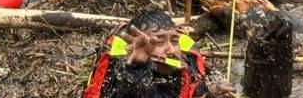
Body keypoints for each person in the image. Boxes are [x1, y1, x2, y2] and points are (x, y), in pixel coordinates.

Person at [82, 10, 235, 98]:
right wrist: (136, 69)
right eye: (158, 42)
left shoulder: (187, 58)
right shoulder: (117, 70)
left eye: (174, 41)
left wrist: (209, 91)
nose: (171, 50)